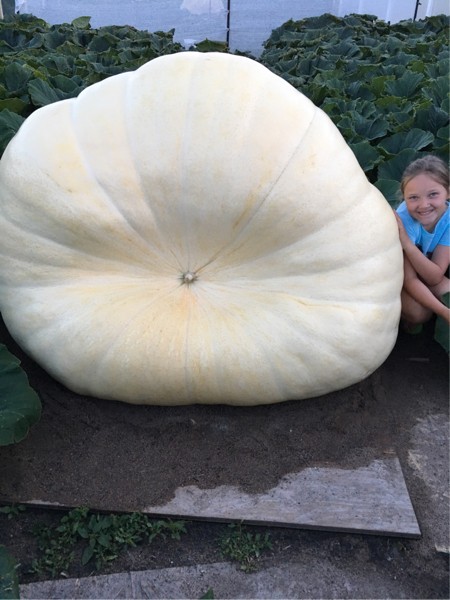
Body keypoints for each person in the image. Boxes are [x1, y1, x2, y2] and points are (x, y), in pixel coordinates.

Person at [394, 155, 450, 330]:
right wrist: (444, 312)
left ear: (448, 192)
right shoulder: (403, 222)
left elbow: (435, 277)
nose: (424, 205)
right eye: (413, 197)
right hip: (397, 276)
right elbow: (409, 279)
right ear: (404, 197)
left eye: (433, 194)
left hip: (425, 269)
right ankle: (399, 317)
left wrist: (408, 245)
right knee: (419, 314)